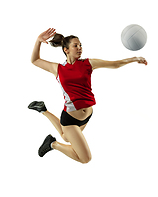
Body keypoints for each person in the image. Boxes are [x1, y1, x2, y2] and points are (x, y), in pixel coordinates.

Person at [29, 28, 147, 164]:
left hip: (87, 116)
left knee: (66, 137)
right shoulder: (58, 69)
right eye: (75, 46)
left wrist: (134, 59)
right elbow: (35, 60)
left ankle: (43, 109)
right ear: (66, 50)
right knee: (85, 158)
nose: (79, 48)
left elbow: (114, 64)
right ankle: (53, 144)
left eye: (80, 45)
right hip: (70, 119)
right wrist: (38, 40)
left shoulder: (88, 63)